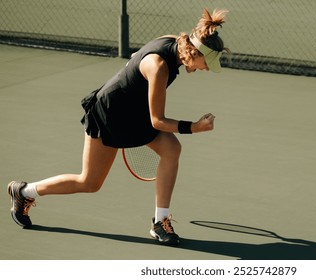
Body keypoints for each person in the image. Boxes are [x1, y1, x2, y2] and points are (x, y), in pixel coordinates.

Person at [7, 8, 229, 246]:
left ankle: (160, 221)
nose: (206, 68)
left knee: (171, 148)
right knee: (89, 182)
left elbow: (137, 55)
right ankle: (24, 192)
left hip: (133, 112)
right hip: (109, 115)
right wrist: (194, 127)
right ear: (194, 52)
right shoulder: (159, 67)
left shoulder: (176, 41)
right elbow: (157, 121)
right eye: (206, 63)